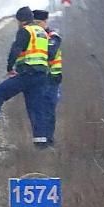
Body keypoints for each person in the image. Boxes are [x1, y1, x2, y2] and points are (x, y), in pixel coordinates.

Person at [0, 7, 51, 148]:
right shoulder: (42, 32)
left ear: (20, 20)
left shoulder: (25, 31)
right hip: (41, 76)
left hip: (27, 74)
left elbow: (15, 49)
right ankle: (41, 145)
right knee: (36, 109)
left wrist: (10, 68)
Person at [32, 9, 62, 146]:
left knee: (49, 109)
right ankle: (40, 139)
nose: (37, 26)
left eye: (39, 23)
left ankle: (48, 140)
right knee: (38, 109)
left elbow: (49, 53)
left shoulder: (53, 37)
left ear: (45, 22)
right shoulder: (32, 36)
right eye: (35, 23)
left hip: (52, 79)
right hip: (38, 79)